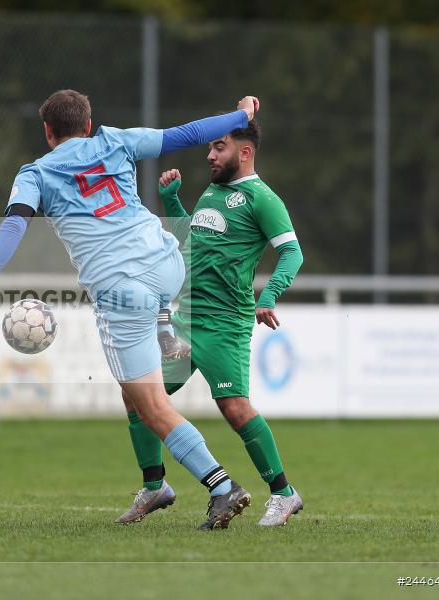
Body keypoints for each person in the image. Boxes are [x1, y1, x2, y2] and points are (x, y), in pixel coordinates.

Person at [0, 89, 259, 530]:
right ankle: (155, 477)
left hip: (123, 291)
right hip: (168, 262)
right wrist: (239, 115)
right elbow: (189, 133)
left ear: (47, 131)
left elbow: (15, 220)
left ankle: (221, 486)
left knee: (152, 404)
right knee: (132, 392)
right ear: (88, 121)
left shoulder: (35, 174)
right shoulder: (115, 141)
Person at [117, 120, 305, 527]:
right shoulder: (213, 191)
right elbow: (193, 243)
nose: (209, 155)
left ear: (244, 152)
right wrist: (172, 203)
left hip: (224, 324)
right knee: (136, 394)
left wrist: (267, 296)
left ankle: (284, 494)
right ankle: (155, 486)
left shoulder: (262, 199)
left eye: (219, 147)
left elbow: (293, 254)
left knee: (234, 408)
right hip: (186, 318)